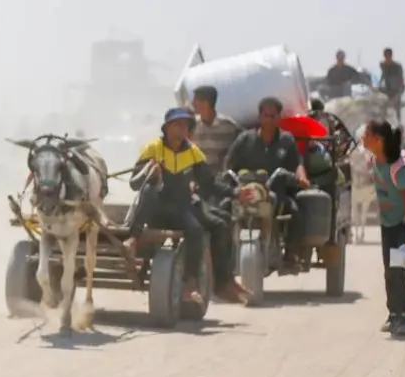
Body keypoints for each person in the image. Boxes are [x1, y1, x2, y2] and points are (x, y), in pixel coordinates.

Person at [124, 108, 250, 304]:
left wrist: (235, 192)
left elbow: (209, 183)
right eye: (177, 125)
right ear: (167, 127)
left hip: (180, 208)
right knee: (149, 190)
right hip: (156, 208)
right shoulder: (153, 148)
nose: (182, 129)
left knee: (198, 228)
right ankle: (133, 238)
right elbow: (134, 183)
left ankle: (191, 284)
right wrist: (151, 174)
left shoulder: (193, 152)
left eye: (185, 125)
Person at [225, 96, 310, 269]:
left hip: (275, 191)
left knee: (295, 212)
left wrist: (302, 178)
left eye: (273, 116)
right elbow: (228, 163)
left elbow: (297, 163)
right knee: (222, 208)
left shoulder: (286, 140)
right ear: (259, 117)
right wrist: (225, 175)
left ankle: (291, 254)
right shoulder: (245, 139)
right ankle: (223, 254)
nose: (269, 120)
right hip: (245, 192)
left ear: (279, 117)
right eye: (266, 115)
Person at [362, 120, 405, 336]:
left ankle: (404, 318)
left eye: (367, 133)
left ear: (378, 140)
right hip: (388, 222)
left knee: (397, 269)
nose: (363, 137)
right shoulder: (373, 161)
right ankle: (393, 313)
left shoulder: (397, 168)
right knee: (389, 270)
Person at [191, 85, 242, 173]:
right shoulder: (193, 125)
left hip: (222, 177)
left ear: (206, 103)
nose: (193, 104)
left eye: (196, 100)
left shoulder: (228, 126)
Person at [380, 48, 405, 124]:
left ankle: (399, 124)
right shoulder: (383, 65)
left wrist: (398, 94)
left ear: (391, 56)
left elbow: (401, 80)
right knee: (382, 106)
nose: (387, 58)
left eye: (389, 56)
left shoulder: (397, 66)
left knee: (397, 108)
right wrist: (379, 85)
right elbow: (383, 76)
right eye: (386, 56)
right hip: (387, 89)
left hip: (397, 88)